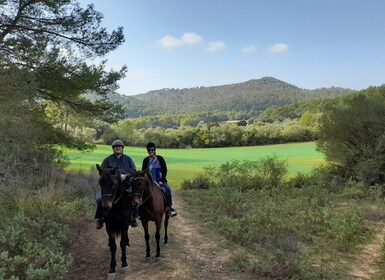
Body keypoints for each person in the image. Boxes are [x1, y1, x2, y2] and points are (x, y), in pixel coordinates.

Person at [95, 139, 138, 229]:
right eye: (116, 147)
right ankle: (100, 218)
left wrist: (125, 176)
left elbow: (133, 171)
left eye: (119, 147)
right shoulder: (107, 160)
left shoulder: (128, 159)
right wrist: (109, 177)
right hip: (110, 186)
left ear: (122, 148)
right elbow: (101, 172)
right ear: (113, 149)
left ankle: (133, 218)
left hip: (125, 183)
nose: (118, 148)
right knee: (99, 198)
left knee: (133, 198)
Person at [142, 142, 177, 217]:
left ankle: (169, 207)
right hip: (149, 181)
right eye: (149, 150)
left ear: (155, 150)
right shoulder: (145, 160)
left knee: (167, 189)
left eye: (152, 150)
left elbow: (164, 170)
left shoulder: (160, 159)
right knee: (140, 191)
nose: (150, 151)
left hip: (159, 180)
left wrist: (161, 180)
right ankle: (140, 211)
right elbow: (143, 171)